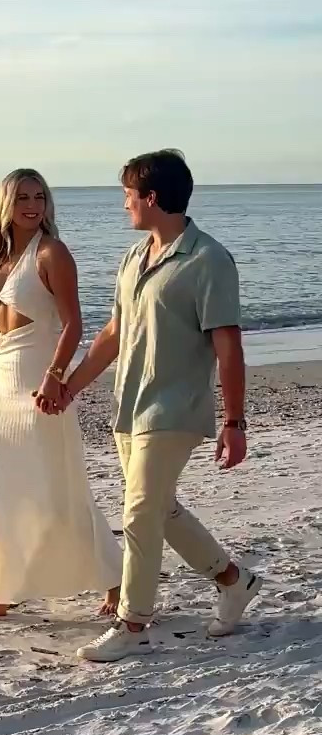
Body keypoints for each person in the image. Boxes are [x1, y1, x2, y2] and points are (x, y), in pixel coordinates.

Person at [53, 149, 262, 662]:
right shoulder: (133, 257)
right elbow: (113, 333)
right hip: (129, 405)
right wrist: (69, 385)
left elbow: (229, 346)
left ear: (151, 197)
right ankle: (233, 581)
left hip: (176, 408)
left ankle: (133, 621)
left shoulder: (208, 260)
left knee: (140, 511)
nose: (123, 204)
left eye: (128, 195)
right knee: (159, 508)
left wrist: (234, 421)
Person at [0, 168, 122, 622]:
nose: (32, 205)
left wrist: (54, 375)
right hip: (1, 380)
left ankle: (115, 578)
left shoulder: (52, 253)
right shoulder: (0, 258)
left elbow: (74, 325)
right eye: (23, 197)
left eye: (39, 197)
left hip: (37, 380)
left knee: (57, 486)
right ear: (5, 204)